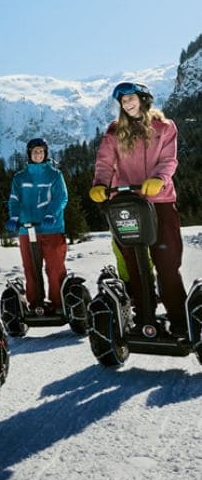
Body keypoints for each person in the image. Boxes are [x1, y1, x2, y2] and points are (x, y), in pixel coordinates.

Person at [89, 81, 186, 330]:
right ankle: (144, 317)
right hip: (126, 203)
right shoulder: (114, 131)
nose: (128, 104)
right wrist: (100, 183)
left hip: (159, 201)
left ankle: (179, 319)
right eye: (123, 101)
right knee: (134, 263)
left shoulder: (164, 127)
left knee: (166, 263)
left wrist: (158, 180)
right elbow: (104, 162)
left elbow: (168, 160)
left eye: (131, 98)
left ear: (143, 98)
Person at [6, 137, 68, 314]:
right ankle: (35, 305)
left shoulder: (55, 175)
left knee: (55, 268)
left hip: (51, 228)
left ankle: (58, 304)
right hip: (27, 229)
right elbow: (14, 200)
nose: (38, 154)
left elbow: (61, 198)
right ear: (29, 154)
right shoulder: (20, 177)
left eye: (41, 151)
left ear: (46, 153)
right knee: (31, 269)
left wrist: (51, 214)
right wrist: (14, 217)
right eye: (35, 152)